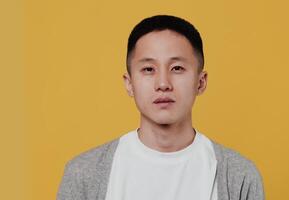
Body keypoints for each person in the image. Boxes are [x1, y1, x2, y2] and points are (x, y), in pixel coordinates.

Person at [57, 15, 264, 200]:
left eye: (177, 68)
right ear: (129, 83)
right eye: (148, 69)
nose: (163, 83)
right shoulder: (84, 173)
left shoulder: (239, 176)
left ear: (200, 82)